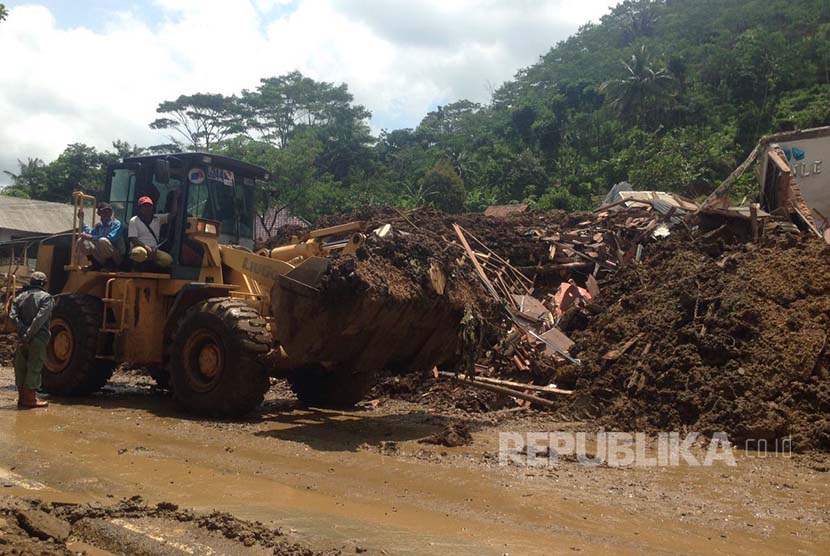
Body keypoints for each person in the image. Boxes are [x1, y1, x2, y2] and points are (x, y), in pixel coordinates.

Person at [9, 271, 54, 409]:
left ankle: (22, 398)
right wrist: (29, 334)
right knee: (34, 367)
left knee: (21, 367)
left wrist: (23, 332)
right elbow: (40, 319)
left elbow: (12, 316)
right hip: (37, 338)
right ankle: (30, 399)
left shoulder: (19, 297)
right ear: (44, 283)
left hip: (21, 338)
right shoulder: (46, 298)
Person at [128, 195, 178, 268]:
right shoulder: (134, 220)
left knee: (167, 259)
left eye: (149, 206)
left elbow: (173, 214)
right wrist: (146, 247)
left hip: (154, 250)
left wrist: (175, 198)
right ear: (140, 209)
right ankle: (136, 270)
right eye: (144, 206)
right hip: (139, 248)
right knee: (139, 253)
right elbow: (133, 239)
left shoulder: (158, 219)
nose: (147, 208)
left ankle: (152, 268)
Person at [77, 202, 124, 269]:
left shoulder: (117, 224)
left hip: (117, 257)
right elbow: (90, 232)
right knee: (81, 241)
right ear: (99, 214)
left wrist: (92, 237)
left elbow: (111, 238)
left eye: (108, 211)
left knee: (102, 241)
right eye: (104, 212)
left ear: (111, 213)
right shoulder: (99, 226)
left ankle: (112, 265)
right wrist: (81, 220)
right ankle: (95, 263)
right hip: (102, 257)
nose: (107, 214)